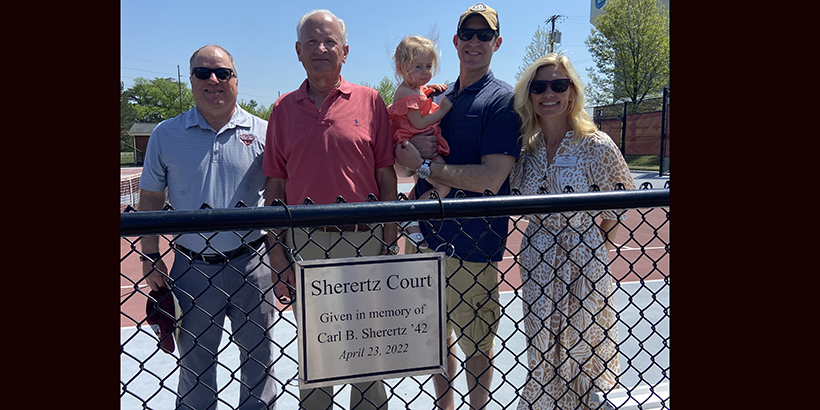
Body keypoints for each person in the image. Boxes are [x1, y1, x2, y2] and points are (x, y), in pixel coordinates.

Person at [262, 9, 397, 410]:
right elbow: (276, 187)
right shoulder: (282, 109)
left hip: (367, 241)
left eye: (330, 41)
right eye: (312, 42)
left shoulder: (371, 101)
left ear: (345, 51)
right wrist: (276, 255)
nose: (321, 48)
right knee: (318, 351)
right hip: (306, 243)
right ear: (298, 51)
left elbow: (386, 177)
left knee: (370, 349)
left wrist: (390, 245)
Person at [393, 3, 521, 410]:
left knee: (477, 343)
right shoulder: (435, 96)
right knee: (434, 338)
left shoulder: (503, 102)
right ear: (456, 41)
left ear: (497, 43)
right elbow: (400, 157)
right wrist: (409, 155)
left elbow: (491, 179)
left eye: (484, 35)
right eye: (467, 33)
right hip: (425, 239)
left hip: (474, 246)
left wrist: (428, 165)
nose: (474, 42)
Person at [137, 45, 277, 410]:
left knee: (259, 364)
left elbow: (281, 198)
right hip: (191, 268)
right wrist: (150, 256)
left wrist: (280, 258)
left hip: (253, 264)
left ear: (236, 79)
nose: (213, 80)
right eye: (202, 73)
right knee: (195, 367)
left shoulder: (264, 132)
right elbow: (150, 200)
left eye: (222, 72)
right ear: (192, 79)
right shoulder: (166, 135)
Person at [509, 53, 637, 410]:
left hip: (584, 256)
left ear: (572, 92)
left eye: (558, 85)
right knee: (542, 350)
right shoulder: (526, 152)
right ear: (529, 95)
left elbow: (618, 205)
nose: (548, 93)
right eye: (539, 86)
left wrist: (592, 245)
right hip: (536, 257)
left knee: (585, 351)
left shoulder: (595, 145)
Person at [387, 34, 452, 247]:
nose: (425, 72)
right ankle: (411, 217)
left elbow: (419, 93)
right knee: (443, 186)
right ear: (400, 68)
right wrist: (442, 111)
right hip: (416, 142)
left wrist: (429, 88)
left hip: (413, 141)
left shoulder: (413, 88)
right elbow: (420, 122)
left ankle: (409, 208)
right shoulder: (406, 92)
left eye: (428, 66)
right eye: (418, 67)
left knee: (428, 186)